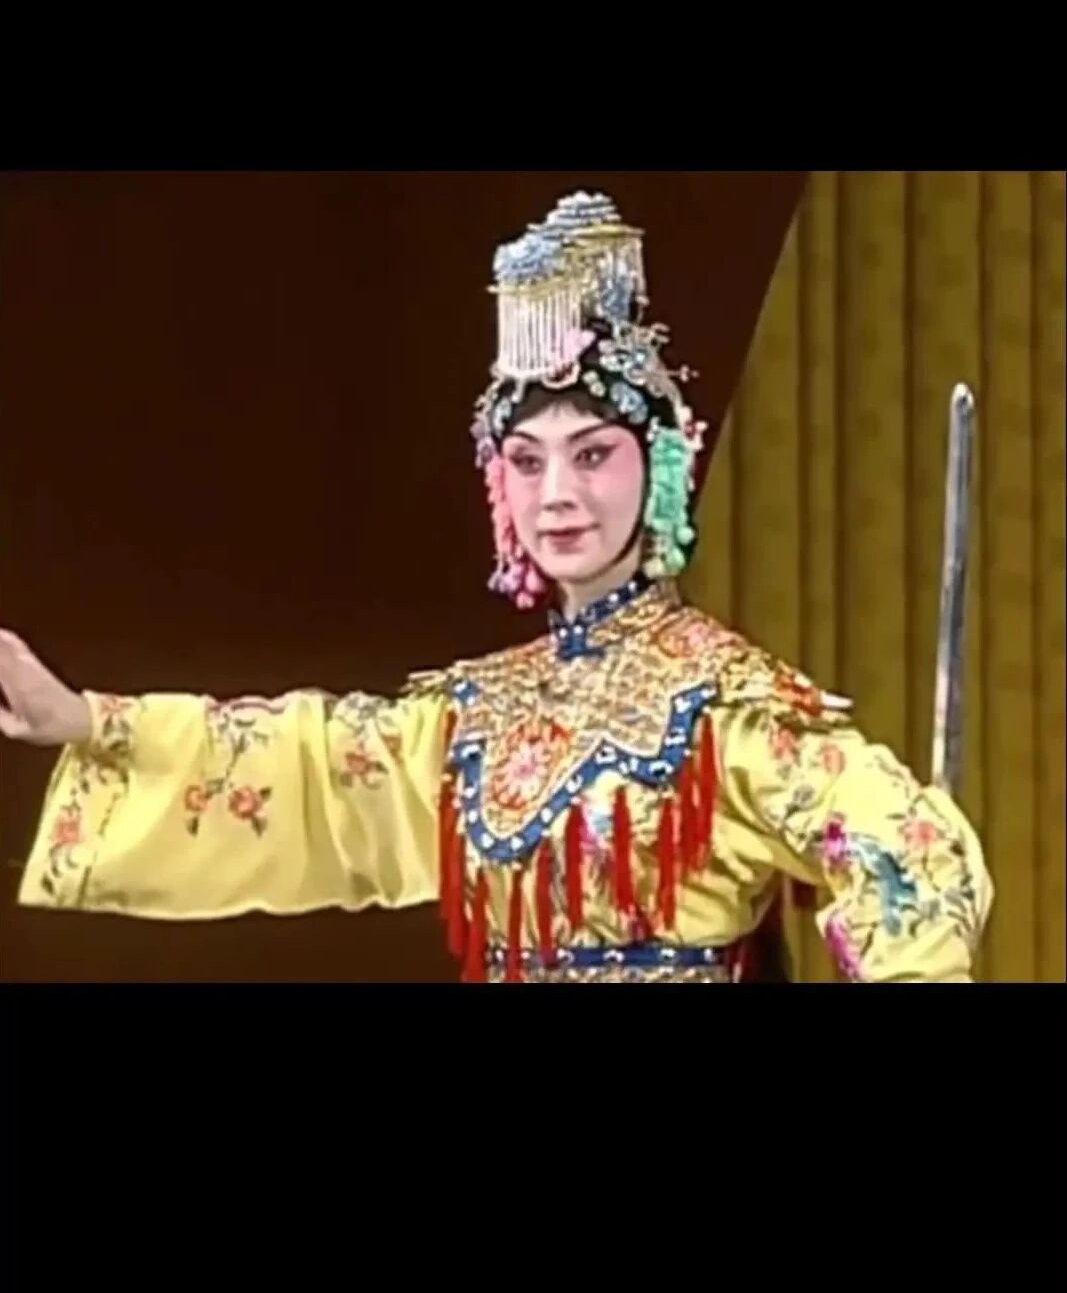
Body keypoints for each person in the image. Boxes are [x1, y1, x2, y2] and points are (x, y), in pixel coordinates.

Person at [2, 191, 992, 983]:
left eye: (591, 453)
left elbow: (903, 847)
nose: (556, 493)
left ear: (660, 466)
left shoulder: (724, 707)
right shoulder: (475, 716)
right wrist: (87, 718)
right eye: (526, 460)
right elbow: (314, 768)